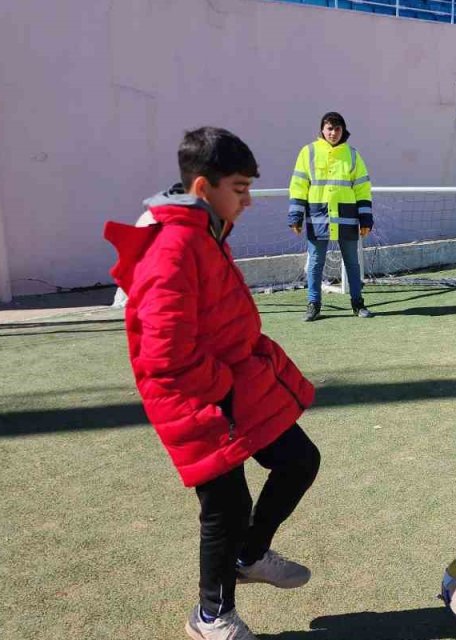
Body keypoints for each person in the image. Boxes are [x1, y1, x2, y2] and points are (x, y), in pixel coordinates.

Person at [105, 127, 321, 639]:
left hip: (234, 385)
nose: (247, 200)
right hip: (197, 399)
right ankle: (211, 617)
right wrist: (222, 385)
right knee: (226, 506)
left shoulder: (205, 229)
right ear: (203, 187)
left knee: (298, 460)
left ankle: (249, 555)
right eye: (240, 188)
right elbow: (164, 354)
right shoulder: (173, 245)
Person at [288, 112, 374, 321]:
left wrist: (365, 219)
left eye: (337, 129)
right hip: (318, 217)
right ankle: (314, 305)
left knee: (352, 263)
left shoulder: (353, 154)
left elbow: (362, 188)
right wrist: (295, 216)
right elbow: (299, 185)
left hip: (346, 217)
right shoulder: (308, 152)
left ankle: (358, 304)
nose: (333, 133)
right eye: (329, 128)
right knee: (316, 262)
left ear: (343, 130)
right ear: (322, 130)